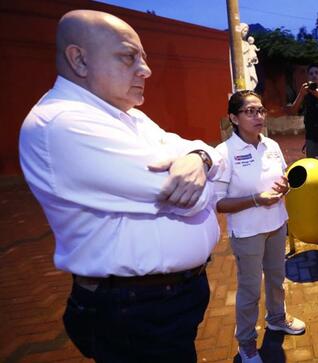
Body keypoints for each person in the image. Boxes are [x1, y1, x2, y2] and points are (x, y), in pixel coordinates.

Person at [19, 10, 221, 362]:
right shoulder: (61, 123)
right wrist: (203, 169)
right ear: (79, 59)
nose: (145, 70)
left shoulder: (129, 116)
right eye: (129, 57)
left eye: (143, 58)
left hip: (163, 302)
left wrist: (198, 158)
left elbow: (212, 155)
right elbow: (198, 196)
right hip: (135, 311)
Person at [213, 90, 306, 363]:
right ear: (234, 117)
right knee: (250, 290)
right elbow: (219, 204)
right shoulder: (224, 153)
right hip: (247, 232)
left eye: (261, 110)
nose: (258, 116)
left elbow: (283, 179)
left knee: (277, 280)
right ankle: (247, 343)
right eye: (250, 111)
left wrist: (285, 186)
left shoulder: (272, 146)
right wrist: (256, 199)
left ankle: (277, 318)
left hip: (276, 224)